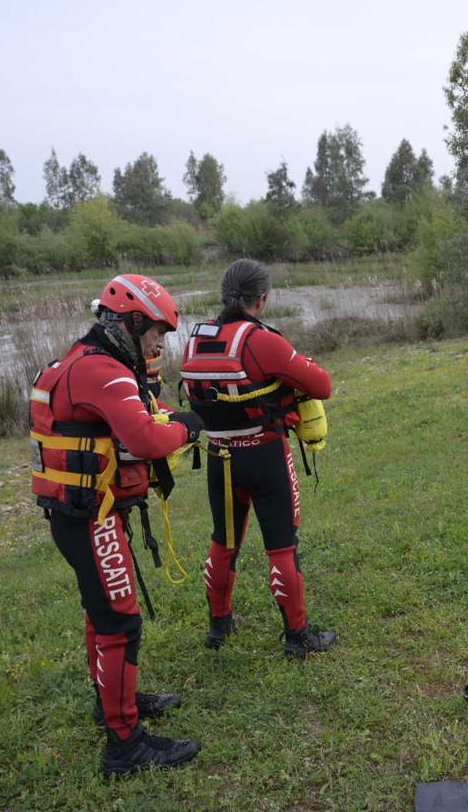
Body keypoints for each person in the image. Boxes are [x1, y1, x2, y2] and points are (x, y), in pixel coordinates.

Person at [30, 274, 204, 775]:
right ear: (131, 322)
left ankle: (111, 705)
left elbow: (148, 411)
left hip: (81, 513)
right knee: (119, 620)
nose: (160, 342)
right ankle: (125, 746)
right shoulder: (104, 372)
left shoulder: (88, 360)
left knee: (101, 613)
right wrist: (191, 426)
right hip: (92, 519)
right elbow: (148, 439)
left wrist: (174, 415)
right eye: (157, 331)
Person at [179, 259, 337, 659]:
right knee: (282, 547)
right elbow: (321, 384)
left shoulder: (195, 340)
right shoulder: (262, 340)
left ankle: (219, 626)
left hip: (220, 457)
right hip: (265, 454)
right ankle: (298, 637)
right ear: (261, 300)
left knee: (223, 542)